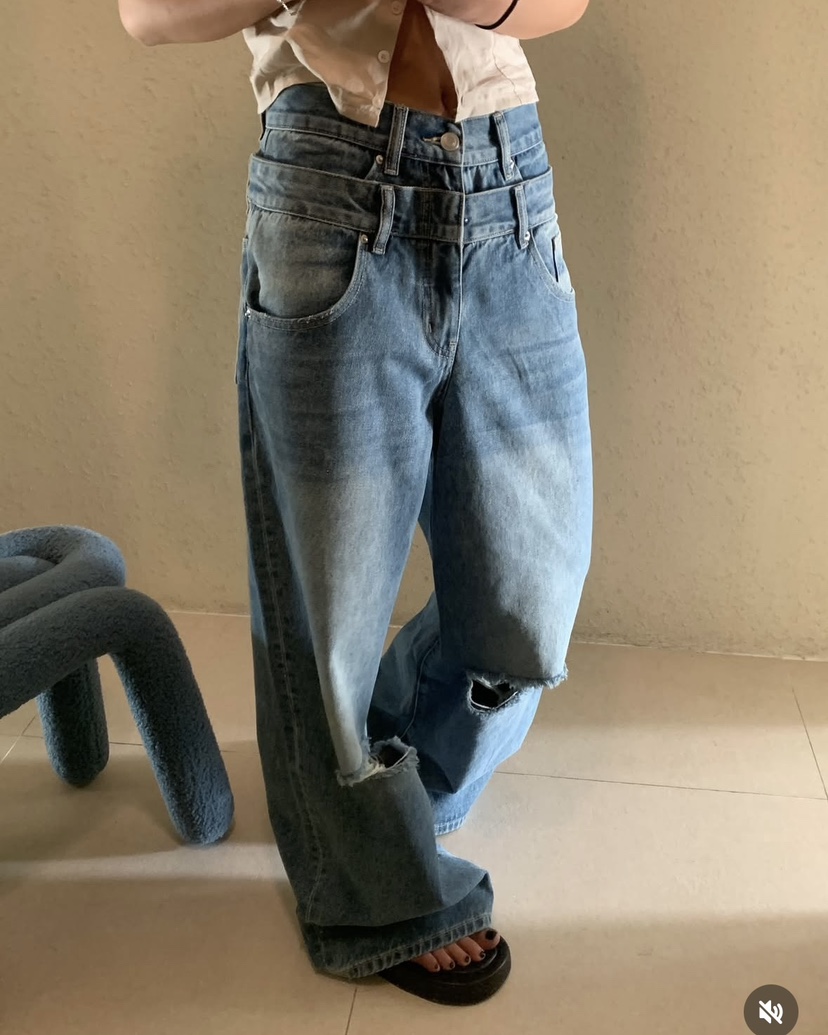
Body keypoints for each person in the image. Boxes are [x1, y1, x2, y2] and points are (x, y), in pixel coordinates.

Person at [119, 0, 593, 1006]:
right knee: (326, 606)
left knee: (531, 594)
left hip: (512, 178)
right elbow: (147, 14)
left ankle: (386, 780)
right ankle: (370, 889)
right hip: (329, 173)